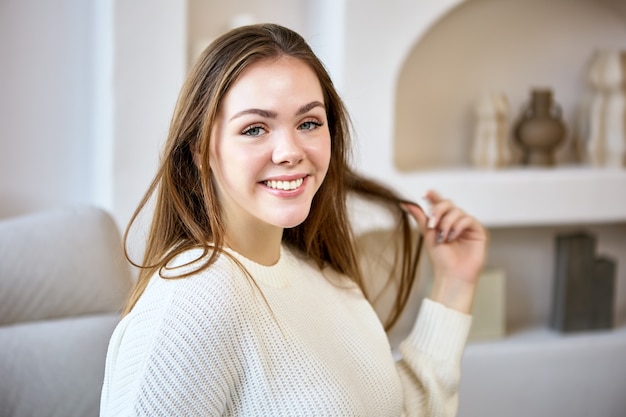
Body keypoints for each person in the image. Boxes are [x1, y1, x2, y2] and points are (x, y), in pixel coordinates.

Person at [100, 23, 487, 417]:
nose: (289, 151)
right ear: (201, 150)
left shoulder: (326, 277)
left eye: (308, 123)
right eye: (254, 129)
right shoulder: (191, 301)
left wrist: (455, 282)